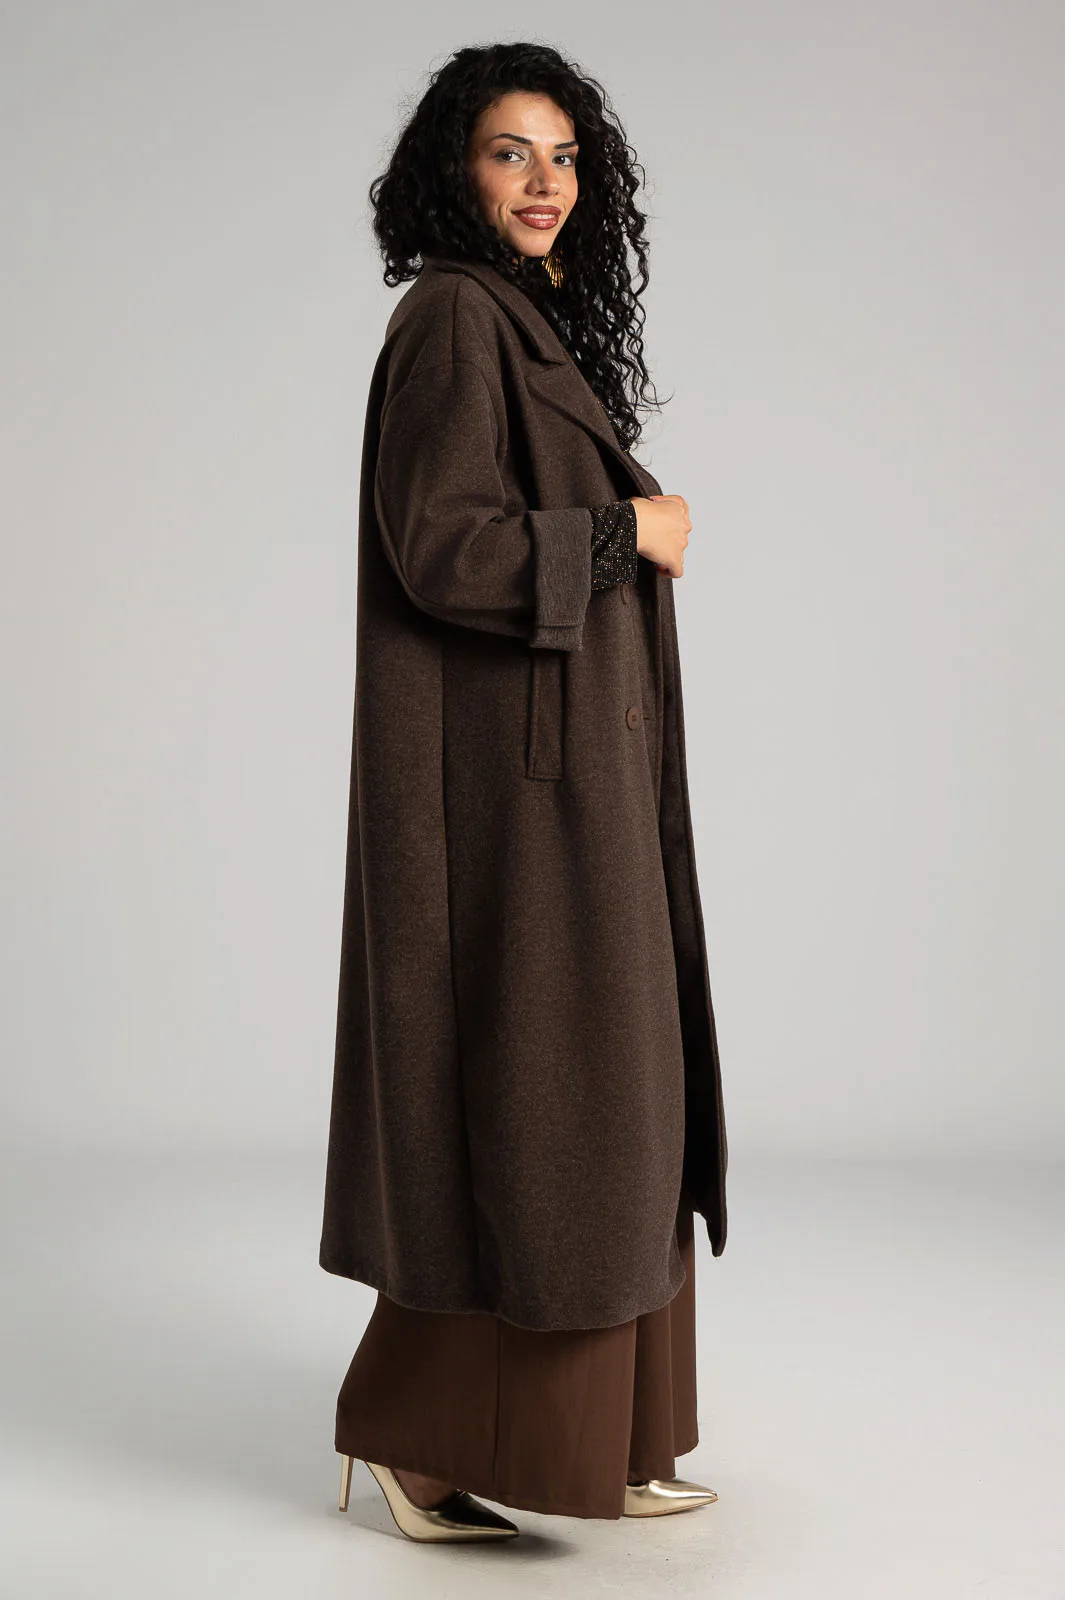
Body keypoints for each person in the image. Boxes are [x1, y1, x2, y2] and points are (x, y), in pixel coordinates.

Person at [318, 40, 728, 1542]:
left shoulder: (521, 320)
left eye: (564, 156)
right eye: (511, 152)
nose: (544, 181)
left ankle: (607, 1432)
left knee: (617, 1092)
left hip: (569, 782)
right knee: (547, 1103)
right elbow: (443, 546)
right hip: (504, 799)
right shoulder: (449, 318)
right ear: (457, 169)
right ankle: (416, 1442)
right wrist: (629, 534)